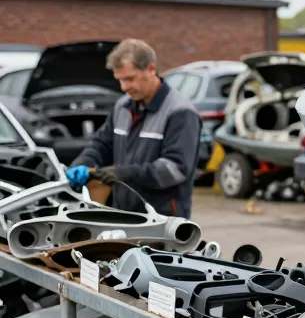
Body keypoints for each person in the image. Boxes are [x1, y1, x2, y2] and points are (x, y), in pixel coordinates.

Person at [65, 39, 202, 219]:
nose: (124, 87)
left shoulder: (180, 113)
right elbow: (101, 144)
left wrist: (124, 173)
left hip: (163, 220)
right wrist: (83, 162)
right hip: (124, 215)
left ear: (151, 69)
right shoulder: (122, 107)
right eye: (120, 80)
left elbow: (174, 169)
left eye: (129, 79)